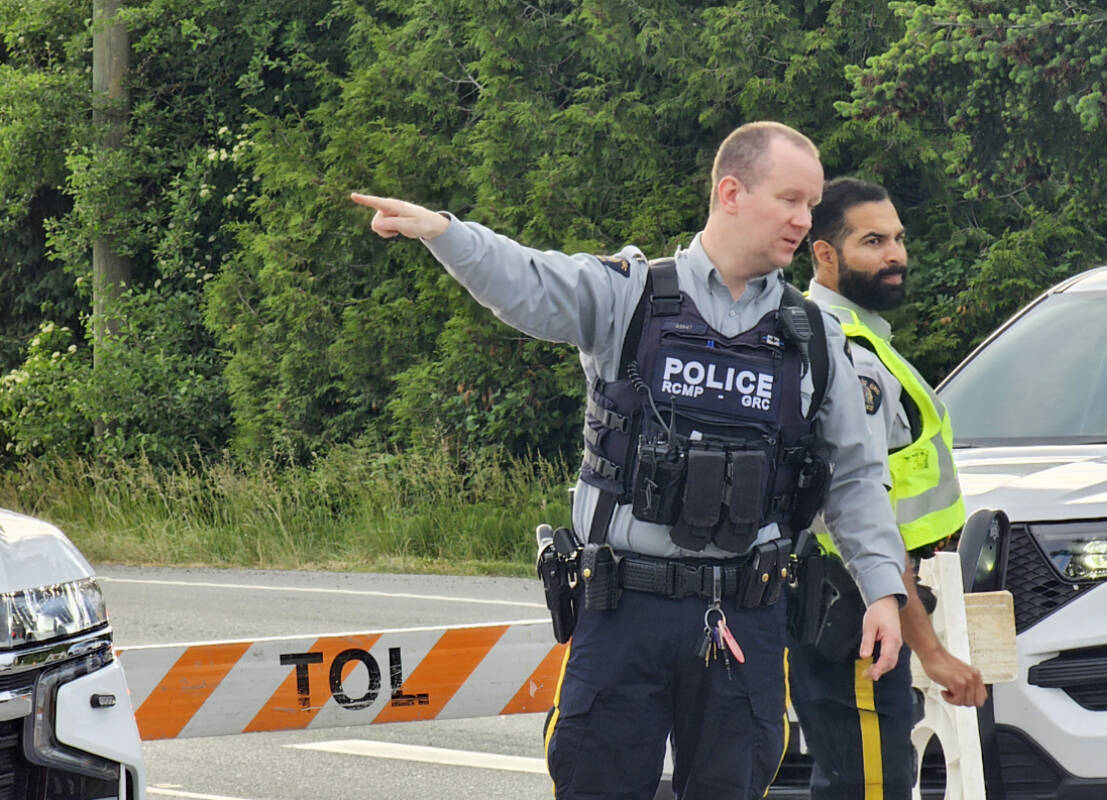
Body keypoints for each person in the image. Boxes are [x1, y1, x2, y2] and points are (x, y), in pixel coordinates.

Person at [351, 121, 908, 800]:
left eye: (811, 204)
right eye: (790, 200)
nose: (804, 220)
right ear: (731, 192)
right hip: (624, 613)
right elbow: (529, 279)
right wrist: (445, 231)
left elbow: (853, 477)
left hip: (745, 617)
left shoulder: (813, 337)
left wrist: (882, 588)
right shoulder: (631, 296)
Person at [788, 176, 988, 800]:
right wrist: (932, 652)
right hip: (856, 614)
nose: (896, 255)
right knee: (871, 788)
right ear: (825, 254)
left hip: (861, 609)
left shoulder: (854, 335)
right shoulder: (848, 354)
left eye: (898, 238)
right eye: (873, 241)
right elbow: (861, 519)